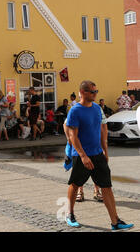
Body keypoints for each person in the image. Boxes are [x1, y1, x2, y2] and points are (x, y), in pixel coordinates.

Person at [65, 80, 134, 231]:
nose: (95, 94)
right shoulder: (75, 111)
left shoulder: (97, 108)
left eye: (96, 91)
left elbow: (102, 130)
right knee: (75, 184)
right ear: (83, 92)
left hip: (98, 155)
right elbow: (72, 136)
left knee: (106, 187)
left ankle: (115, 221)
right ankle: (69, 214)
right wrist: (83, 156)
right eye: (92, 92)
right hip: (82, 156)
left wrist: (105, 151)